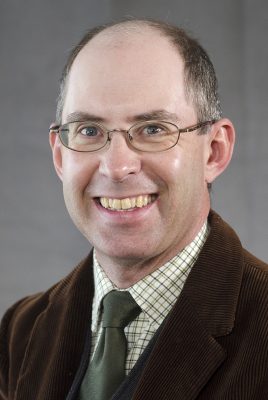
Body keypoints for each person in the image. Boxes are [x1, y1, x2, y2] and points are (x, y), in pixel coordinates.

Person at [0, 18, 268, 400]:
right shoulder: (20, 333)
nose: (117, 166)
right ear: (60, 157)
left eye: (154, 129)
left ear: (214, 151)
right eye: (89, 131)